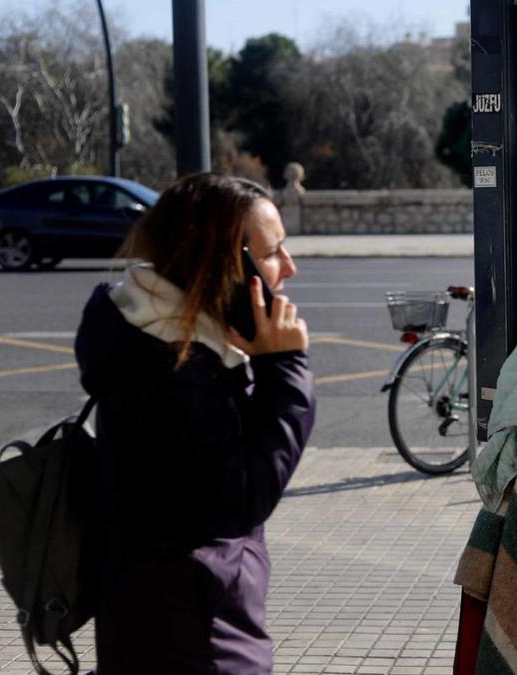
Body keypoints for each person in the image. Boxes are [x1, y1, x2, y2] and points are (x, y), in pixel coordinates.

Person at [74, 172, 315, 674]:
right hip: (196, 637)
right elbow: (245, 495)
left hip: (164, 622)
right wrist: (285, 368)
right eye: (271, 254)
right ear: (222, 265)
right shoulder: (170, 370)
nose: (289, 268)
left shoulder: (156, 337)